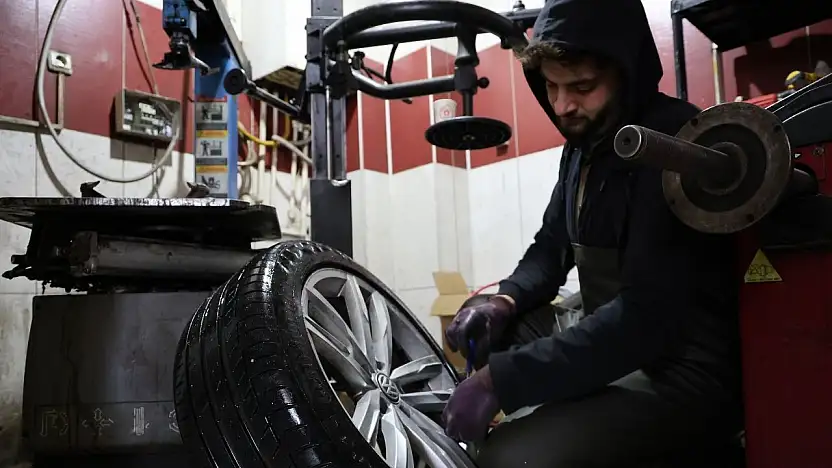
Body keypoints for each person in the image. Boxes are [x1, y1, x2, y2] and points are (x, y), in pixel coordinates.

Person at [441, 0, 743, 466]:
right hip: (619, 339)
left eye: (582, 86)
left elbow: (645, 320)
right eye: (551, 86)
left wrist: (503, 380)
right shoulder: (582, 149)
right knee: (502, 332)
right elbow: (549, 250)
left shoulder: (671, 142)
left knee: (509, 459)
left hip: (680, 370)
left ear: (626, 74)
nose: (563, 106)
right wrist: (504, 300)